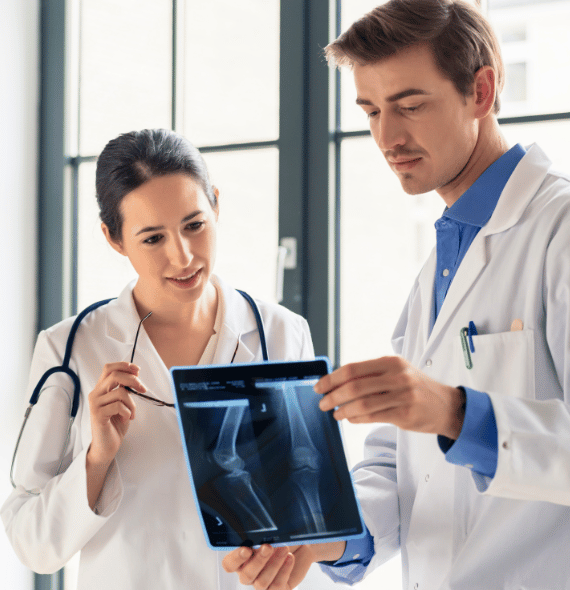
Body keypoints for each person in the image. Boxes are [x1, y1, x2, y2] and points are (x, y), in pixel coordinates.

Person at [222, 1, 570, 588]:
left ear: (480, 92)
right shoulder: (444, 254)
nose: (388, 137)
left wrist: (452, 412)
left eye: (410, 106)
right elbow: (399, 464)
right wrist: (323, 538)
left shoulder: (557, 231)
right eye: (371, 110)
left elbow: (448, 419)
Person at [1, 129, 337, 590]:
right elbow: (33, 544)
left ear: (216, 205)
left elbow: (314, 512)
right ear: (114, 239)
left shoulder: (281, 332)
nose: (182, 256)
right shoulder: (70, 349)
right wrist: (97, 457)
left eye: (194, 225)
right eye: (153, 238)